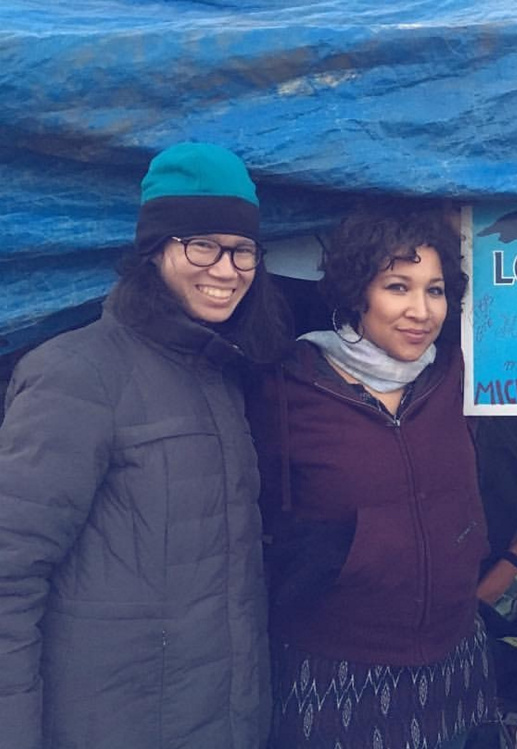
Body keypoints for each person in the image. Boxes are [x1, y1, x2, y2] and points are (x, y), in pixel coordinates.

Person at [0, 142, 292, 748]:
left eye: (242, 251)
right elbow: (9, 576)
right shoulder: (78, 373)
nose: (226, 269)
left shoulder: (223, 374)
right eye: (202, 245)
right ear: (155, 249)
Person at [247, 200, 496, 748]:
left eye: (435, 290)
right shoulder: (286, 389)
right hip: (338, 670)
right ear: (359, 291)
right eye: (398, 287)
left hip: (454, 657)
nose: (421, 310)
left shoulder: (459, 375)